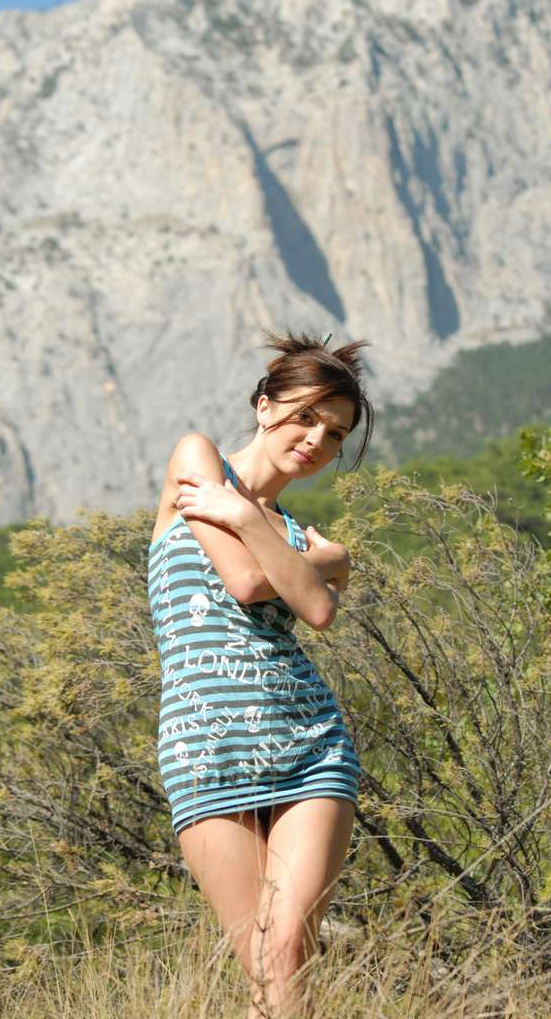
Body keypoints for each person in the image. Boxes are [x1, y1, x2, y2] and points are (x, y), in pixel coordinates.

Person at [147, 329, 374, 1019]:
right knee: (264, 964)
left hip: (311, 747)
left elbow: (318, 612)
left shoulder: (295, 532)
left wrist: (258, 524)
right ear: (264, 404)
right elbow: (248, 581)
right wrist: (324, 562)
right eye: (306, 416)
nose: (316, 440)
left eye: (335, 434)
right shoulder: (198, 458)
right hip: (205, 750)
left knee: (288, 955)